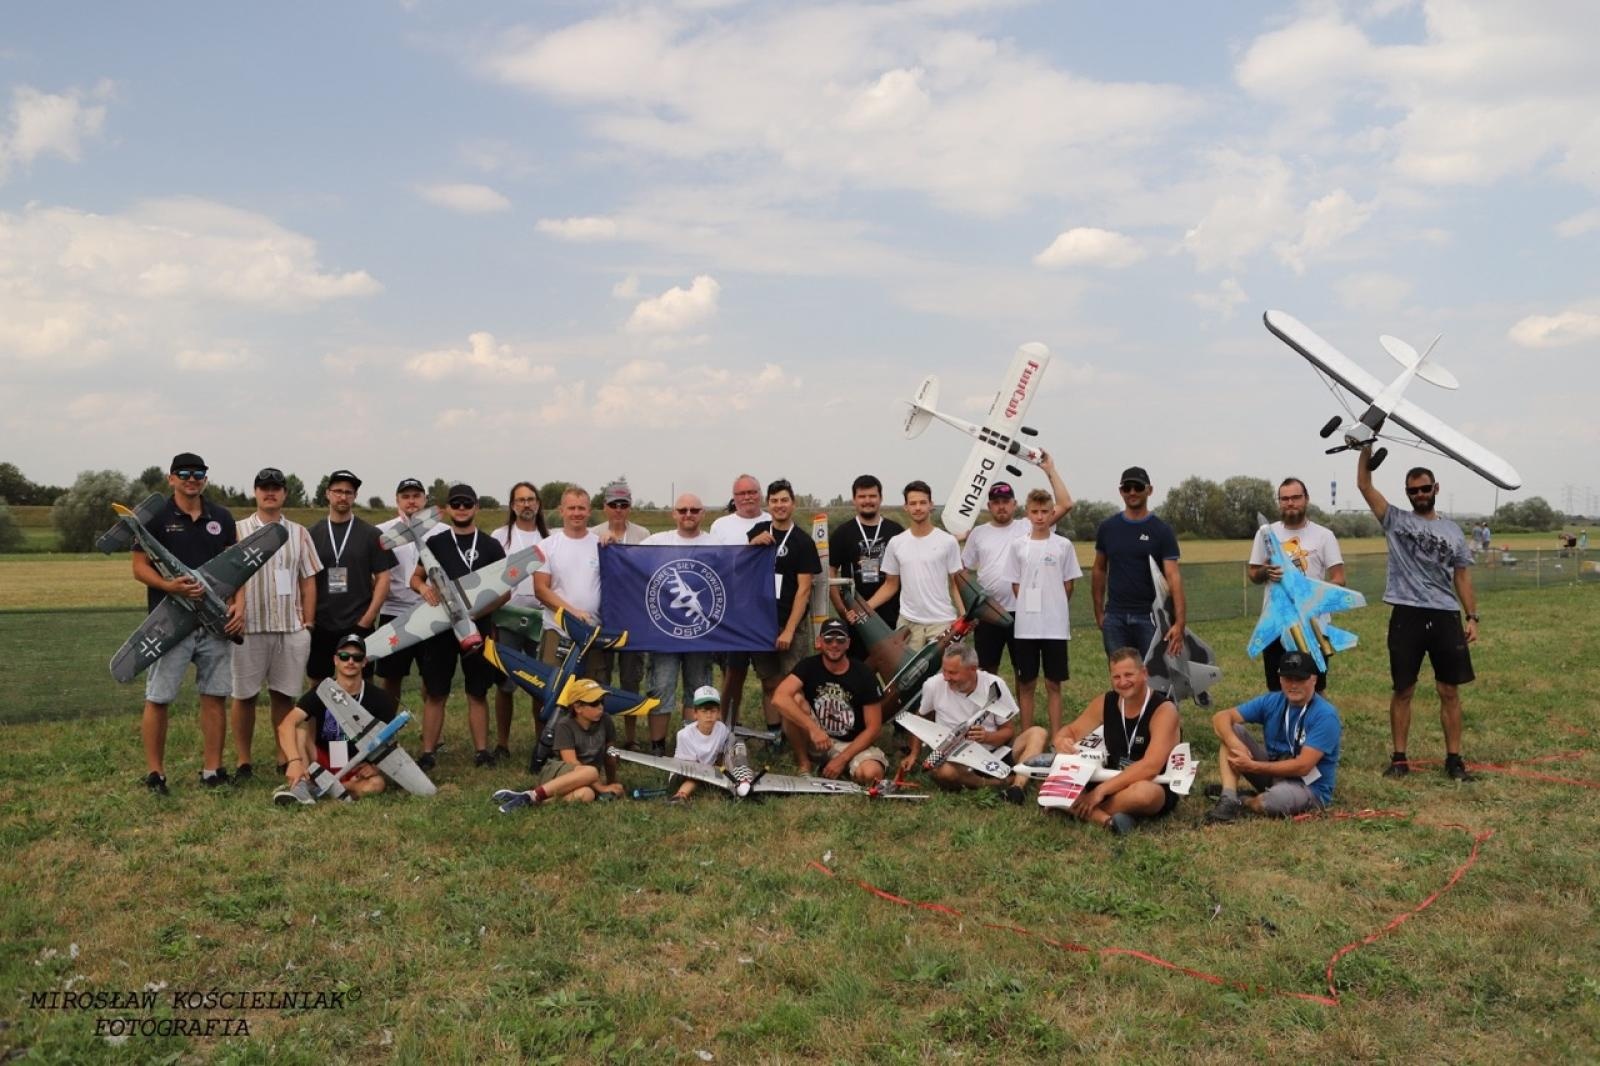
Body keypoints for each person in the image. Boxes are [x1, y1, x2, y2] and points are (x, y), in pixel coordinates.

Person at [1357, 449, 1478, 781]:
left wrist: (1472, 616)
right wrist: (1365, 447)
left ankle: (1454, 760)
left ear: (1435, 488)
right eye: (1413, 491)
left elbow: (1462, 576)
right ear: (1407, 493)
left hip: (1444, 615)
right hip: (1406, 613)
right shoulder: (1395, 520)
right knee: (1403, 689)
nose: (1420, 495)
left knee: (1449, 690)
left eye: (1425, 488)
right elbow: (1364, 485)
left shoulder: (1453, 531)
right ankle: (1399, 759)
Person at [128, 452, 242, 793]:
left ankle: (212, 770)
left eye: (198, 473)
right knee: (159, 697)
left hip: (213, 622)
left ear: (205, 478)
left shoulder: (221, 517)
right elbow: (138, 567)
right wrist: (169, 586)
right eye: (185, 473)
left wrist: (238, 605)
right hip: (170, 623)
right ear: (171, 478)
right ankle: (155, 774)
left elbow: (236, 566)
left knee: (215, 696)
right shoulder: (155, 517)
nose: (192, 478)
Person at [1021, 647, 1180, 834]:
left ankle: (1072, 809)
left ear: (1144, 673)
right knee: (1045, 781)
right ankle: (1107, 819)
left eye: (1129, 675)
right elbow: (1072, 730)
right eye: (1116, 677)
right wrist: (1061, 739)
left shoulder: (1164, 710)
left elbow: (1151, 766)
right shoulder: (1106, 702)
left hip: (1150, 782)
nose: (1123, 682)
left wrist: (1099, 792)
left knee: (1144, 794)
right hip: (1109, 776)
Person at [230, 467, 322, 781]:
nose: (270, 493)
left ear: (284, 494)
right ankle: (244, 760)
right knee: (244, 696)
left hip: (289, 627)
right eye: (264, 487)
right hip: (248, 628)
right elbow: (227, 579)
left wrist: (307, 624)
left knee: (284, 696)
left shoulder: (299, 533)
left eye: (276, 488)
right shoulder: (238, 530)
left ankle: (285, 756)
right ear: (255, 492)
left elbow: (308, 581)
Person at [412, 483, 509, 770]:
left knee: (478, 691)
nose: (462, 508)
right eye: (457, 504)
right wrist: (423, 590)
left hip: (477, 628)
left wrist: (478, 612)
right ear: (448, 509)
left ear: (476, 507)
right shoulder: (436, 544)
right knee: (435, 690)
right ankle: (428, 752)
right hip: (441, 627)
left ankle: (482, 751)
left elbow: (506, 591)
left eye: (468, 503)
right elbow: (416, 578)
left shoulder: (490, 545)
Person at [958, 453, 1072, 675]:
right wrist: (969, 609)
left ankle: (1022, 710)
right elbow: (961, 573)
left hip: (1022, 612)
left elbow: (1065, 504)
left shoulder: (1028, 526)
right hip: (989, 613)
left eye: (1006, 502)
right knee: (987, 670)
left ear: (1014, 504)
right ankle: (990, 711)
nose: (1002, 507)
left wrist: (1050, 470)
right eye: (996, 503)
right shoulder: (978, 534)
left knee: (1024, 673)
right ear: (989, 506)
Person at [1204, 650, 1340, 823]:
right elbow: (1221, 717)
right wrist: (1234, 743)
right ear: (1280, 679)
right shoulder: (1272, 701)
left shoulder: (1326, 715)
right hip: (1273, 771)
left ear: (1314, 679)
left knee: (1272, 802)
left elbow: (1303, 766)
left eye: (1300, 679)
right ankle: (1228, 798)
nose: (1293, 685)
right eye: (1288, 678)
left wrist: (1253, 766)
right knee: (1232, 730)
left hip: (1308, 786)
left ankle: (1245, 800)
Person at [272, 634, 398, 805]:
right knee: (299, 733)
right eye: (344, 656)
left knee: (376, 784)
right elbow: (286, 724)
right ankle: (304, 782)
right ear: (335, 660)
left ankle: (319, 789)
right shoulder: (322, 690)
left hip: (356, 767)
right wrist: (294, 761)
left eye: (357, 657)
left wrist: (375, 766)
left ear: (364, 662)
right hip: (321, 758)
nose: (350, 661)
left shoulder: (380, 698)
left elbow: (389, 742)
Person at [1246, 477, 1346, 692]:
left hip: (1314, 625)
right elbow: (1253, 573)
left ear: (1306, 499)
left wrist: (1314, 597)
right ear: (1279, 502)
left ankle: (1314, 725)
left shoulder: (1324, 536)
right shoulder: (1266, 535)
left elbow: (1339, 578)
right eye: (1284, 499)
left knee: (1313, 688)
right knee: (1277, 688)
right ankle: (1279, 725)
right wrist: (1266, 572)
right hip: (1276, 624)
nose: (1290, 503)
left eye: (1295, 497)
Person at [1004, 487, 1082, 737]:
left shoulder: (1063, 545)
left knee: (1053, 683)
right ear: (1027, 513)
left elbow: (1069, 584)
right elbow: (1016, 584)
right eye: (1035, 512)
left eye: (1045, 512)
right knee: (1027, 682)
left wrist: (1053, 604)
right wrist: (1030, 605)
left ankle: (1057, 734)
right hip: (1026, 626)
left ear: (1052, 513)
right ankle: (1027, 735)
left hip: (1055, 626)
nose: (1040, 517)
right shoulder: (1017, 546)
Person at [773, 619, 887, 785]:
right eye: (828, 640)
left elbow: (874, 729)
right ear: (819, 642)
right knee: (793, 701)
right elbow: (779, 698)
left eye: (840, 640)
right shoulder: (808, 666)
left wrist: (842, 758)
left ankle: (838, 764)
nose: (834, 645)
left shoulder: (864, 674)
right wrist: (813, 729)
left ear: (848, 644)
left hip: (851, 743)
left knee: (872, 775)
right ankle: (804, 762)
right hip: (817, 737)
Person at [746, 479, 822, 731]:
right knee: (769, 682)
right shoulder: (758, 530)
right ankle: (774, 731)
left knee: (794, 683)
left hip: (791, 623)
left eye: (784, 500)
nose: (779, 505)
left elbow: (803, 591)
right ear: (768, 504)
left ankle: (801, 734)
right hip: (760, 622)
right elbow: (741, 563)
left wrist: (789, 630)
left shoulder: (803, 542)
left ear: (793, 503)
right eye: (775, 501)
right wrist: (752, 544)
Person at [642, 494, 715, 753]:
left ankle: (691, 745)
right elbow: (627, 561)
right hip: (664, 633)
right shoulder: (655, 542)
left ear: (702, 513)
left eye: (694, 510)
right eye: (682, 510)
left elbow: (737, 566)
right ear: (673, 514)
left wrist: (757, 545)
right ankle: (658, 746)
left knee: (697, 688)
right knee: (661, 687)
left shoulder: (716, 544)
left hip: (701, 634)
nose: (688, 514)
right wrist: (610, 544)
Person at [306, 469, 393, 684]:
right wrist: (308, 619)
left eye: (348, 492)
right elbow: (304, 579)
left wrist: (367, 619)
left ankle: (362, 720)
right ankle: (320, 720)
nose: (343, 496)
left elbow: (383, 578)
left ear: (354, 496)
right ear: (327, 493)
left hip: (358, 622)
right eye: (337, 491)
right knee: (318, 686)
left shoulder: (371, 534)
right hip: (321, 623)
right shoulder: (311, 534)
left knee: (362, 684)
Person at [1092, 466, 1184, 658]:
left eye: (1138, 487)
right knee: (1121, 677)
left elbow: (1173, 576)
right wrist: (1100, 613)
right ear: (1120, 491)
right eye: (1127, 488)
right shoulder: (1108, 528)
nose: (1132, 492)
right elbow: (1099, 569)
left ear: (1149, 490)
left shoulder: (1161, 530)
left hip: (1150, 617)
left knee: (1153, 676)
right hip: (1115, 617)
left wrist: (1179, 622)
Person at [900, 643, 1019, 792]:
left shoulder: (995, 685)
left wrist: (987, 736)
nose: (946, 677)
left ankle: (1011, 782)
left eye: (953, 673)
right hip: (952, 755)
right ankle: (992, 783)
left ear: (973, 669)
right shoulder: (933, 685)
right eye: (944, 671)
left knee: (1037, 734)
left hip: (990, 750)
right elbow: (920, 720)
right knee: (944, 772)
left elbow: (1008, 731)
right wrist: (914, 753)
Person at [494, 678, 623, 809]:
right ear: (578, 707)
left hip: (586, 779)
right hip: (560, 773)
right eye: (594, 703)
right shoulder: (564, 725)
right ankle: (534, 794)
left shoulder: (606, 721)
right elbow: (572, 763)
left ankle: (529, 801)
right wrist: (601, 788)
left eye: (602, 701)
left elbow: (610, 755)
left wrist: (612, 783)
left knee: (587, 794)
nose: (600, 707)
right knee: (591, 772)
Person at [864, 480, 962, 651]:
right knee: (908, 677)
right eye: (913, 503)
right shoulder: (896, 543)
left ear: (931, 505)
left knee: (945, 676)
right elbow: (890, 584)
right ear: (906, 507)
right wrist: (864, 608)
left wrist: (963, 615)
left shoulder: (948, 541)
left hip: (942, 622)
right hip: (908, 624)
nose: (918, 508)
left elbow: (957, 583)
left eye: (923, 502)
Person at [489, 480, 549, 760]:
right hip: (507, 619)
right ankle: (502, 744)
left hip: (542, 619)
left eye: (531, 499)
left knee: (541, 684)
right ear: (512, 506)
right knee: (506, 684)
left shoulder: (549, 538)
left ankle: (542, 742)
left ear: (538, 504)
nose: (526, 504)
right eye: (520, 500)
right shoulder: (500, 537)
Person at [591, 479, 651, 748]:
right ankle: (603, 735)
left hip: (632, 619)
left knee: (630, 680)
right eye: (613, 504)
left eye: (623, 504)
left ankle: (630, 737)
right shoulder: (593, 534)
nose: (618, 509)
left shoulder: (643, 534)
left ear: (630, 507)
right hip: (602, 618)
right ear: (604, 507)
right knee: (600, 679)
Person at [709, 474, 770, 723]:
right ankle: (728, 725)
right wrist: (750, 548)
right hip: (732, 612)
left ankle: (775, 729)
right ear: (734, 498)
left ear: (760, 494)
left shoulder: (772, 520)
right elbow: (716, 567)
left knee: (770, 676)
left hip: (766, 611)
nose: (748, 497)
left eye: (752, 492)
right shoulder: (720, 526)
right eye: (742, 493)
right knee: (733, 674)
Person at [829, 474, 904, 659]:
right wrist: (844, 611)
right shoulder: (842, 533)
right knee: (859, 670)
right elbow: (830, 574)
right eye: (862, 496)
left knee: (893, 671)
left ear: (880, 498)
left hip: (891, 614)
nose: (867, 501)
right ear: (854, 499)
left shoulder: (896, 531)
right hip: (856, 617)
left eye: (872, 496)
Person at [533, 486, 603, 680]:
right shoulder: (547, 546)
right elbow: (540, 589)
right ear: (561, 510)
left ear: (589, 511)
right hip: (557, 631)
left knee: (590, 698)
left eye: (581, 508)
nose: (576, 513)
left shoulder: (601, 545)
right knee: (551, 689)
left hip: (592, 632)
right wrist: (572, 613)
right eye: (571, 508)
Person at [374, 478, 429, 703]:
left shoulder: (441, 530)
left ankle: (431, 735)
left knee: (432, 677)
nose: (411, 501)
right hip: (394, 610)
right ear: (397, 500)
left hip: (430, 611)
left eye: (416, 496)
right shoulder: (382, 532)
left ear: (425, 499)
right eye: (406, 497)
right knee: (391, 676)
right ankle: (388, 733)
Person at [668, 685, 733, 802]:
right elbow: (692, 767)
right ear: (695, 713)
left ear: (718, 713)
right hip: (684, 772)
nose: (709, 715)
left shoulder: (722, 729)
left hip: (708, 771)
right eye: (704, 711)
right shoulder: (684, 735)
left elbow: (722, 753)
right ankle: (680, 796)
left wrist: (722, 769)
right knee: (696, 776)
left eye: (713, 711)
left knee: (724, 779)